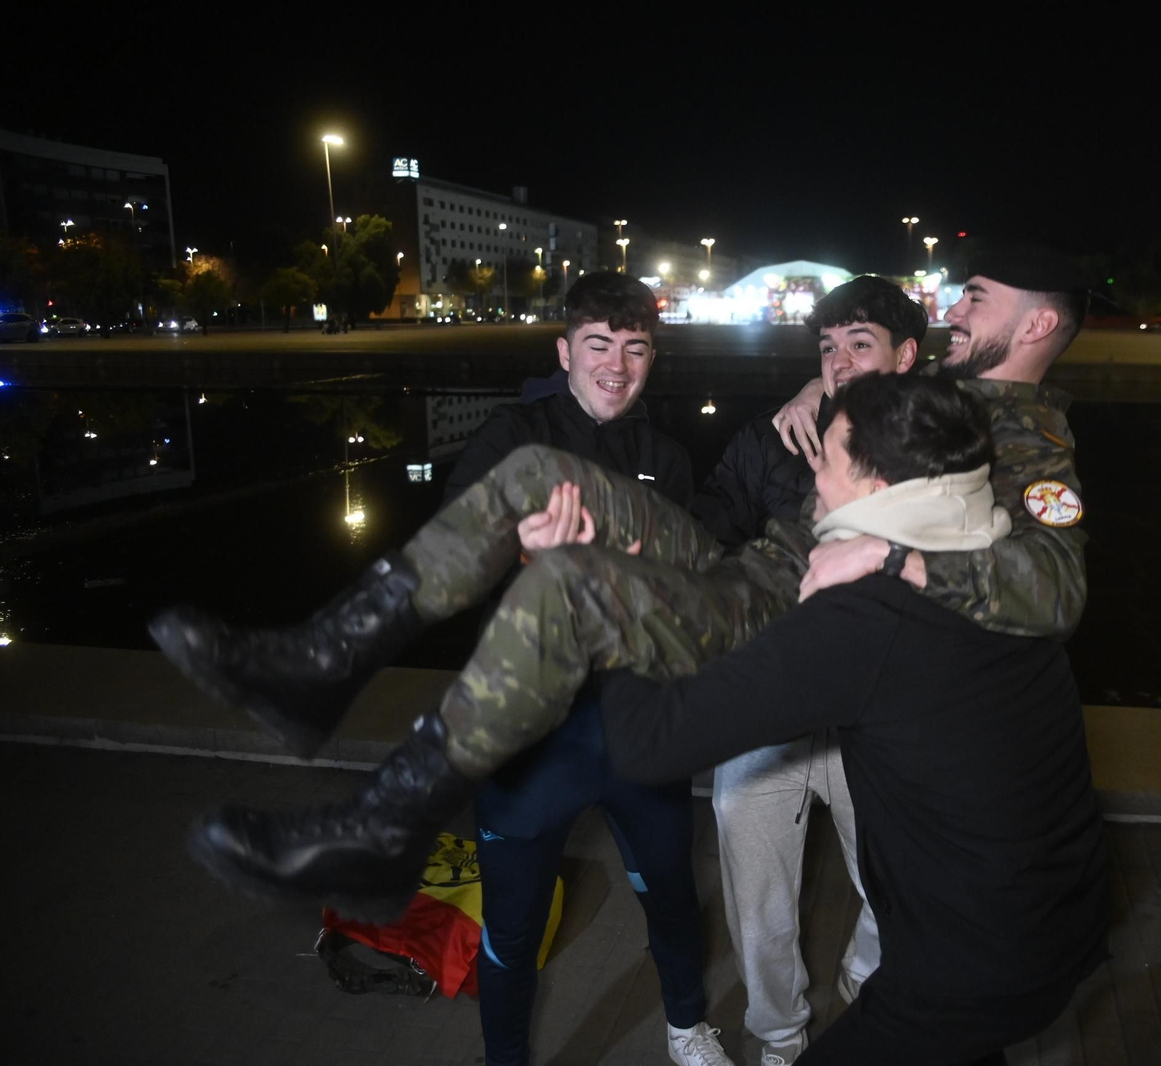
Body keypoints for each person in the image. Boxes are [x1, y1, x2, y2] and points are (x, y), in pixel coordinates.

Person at [151, 243, 1090, 925]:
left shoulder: (1031, 433)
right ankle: (324, 660)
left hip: (775, 609)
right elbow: (859, 412)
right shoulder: (924, 393)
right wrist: (824, 390)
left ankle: (384, 827)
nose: (956, 306)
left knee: (569, 590)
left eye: (976, 295)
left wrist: (894, 557)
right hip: (746, 560)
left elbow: (1055, 588)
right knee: (532, 475)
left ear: (1037, 324)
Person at [604, 371, 1109, 1065]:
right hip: (1059, 926)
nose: (812, 466)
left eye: (829, 457)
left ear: (878, 490)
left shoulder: (867, 616)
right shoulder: (995, 567)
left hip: (961, 970)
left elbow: (644, 742)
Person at [441, 273, 728, 1066]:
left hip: (637, 725)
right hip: (530, 735)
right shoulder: (514, 436)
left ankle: (686, 1024)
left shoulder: (665, 458)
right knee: (513, 926)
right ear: (565, 350)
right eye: (599, 345)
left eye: (636, 349)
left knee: (671, 893)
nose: (617, 365)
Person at [688, 275, 923, 1065]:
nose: (840, 362)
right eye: (826, 348)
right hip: (769, 705)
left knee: (896, 885)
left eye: (862, 344)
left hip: (875, 718)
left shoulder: (942, 447)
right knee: (755, 897)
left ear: (907, 356)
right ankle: (777, 1036)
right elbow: (712, 519)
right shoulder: (771, 439)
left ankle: (865, 989)